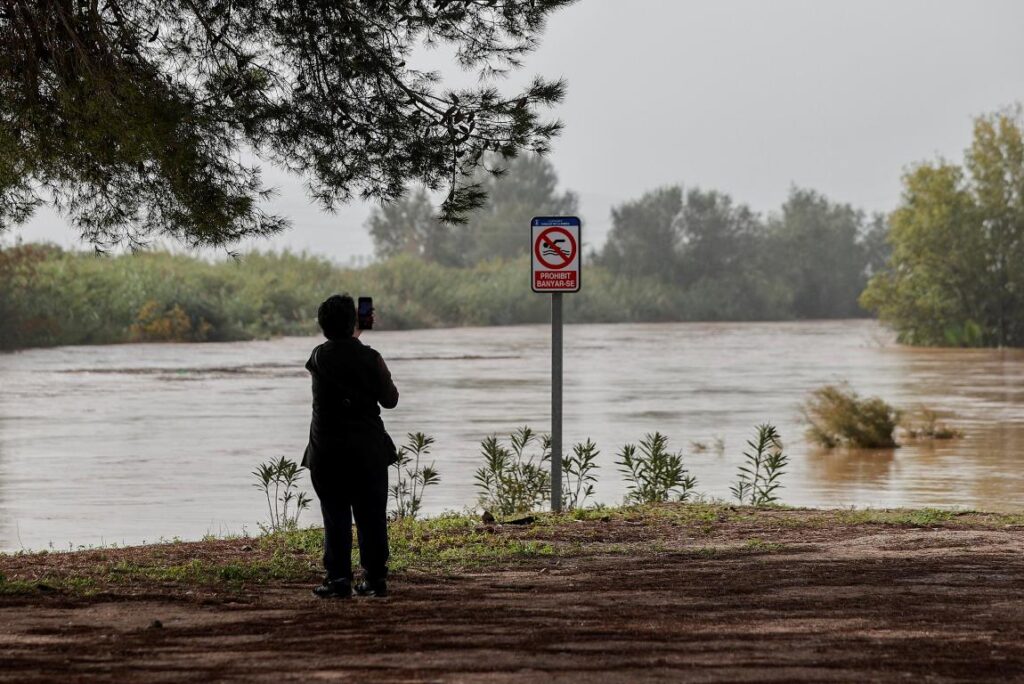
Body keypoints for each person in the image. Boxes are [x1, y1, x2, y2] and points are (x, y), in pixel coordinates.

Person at [302, 294, 399, 598]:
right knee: (371, 516)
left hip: (327, 454)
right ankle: (374, 579)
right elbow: (391, 400)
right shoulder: (371, 358)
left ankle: (339, 579)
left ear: (322, 326)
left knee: (335, 515)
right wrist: (358, 334)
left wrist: (352, 332)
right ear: (355, 321)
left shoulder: (318, 357)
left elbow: (338, 349)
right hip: (367, 453)